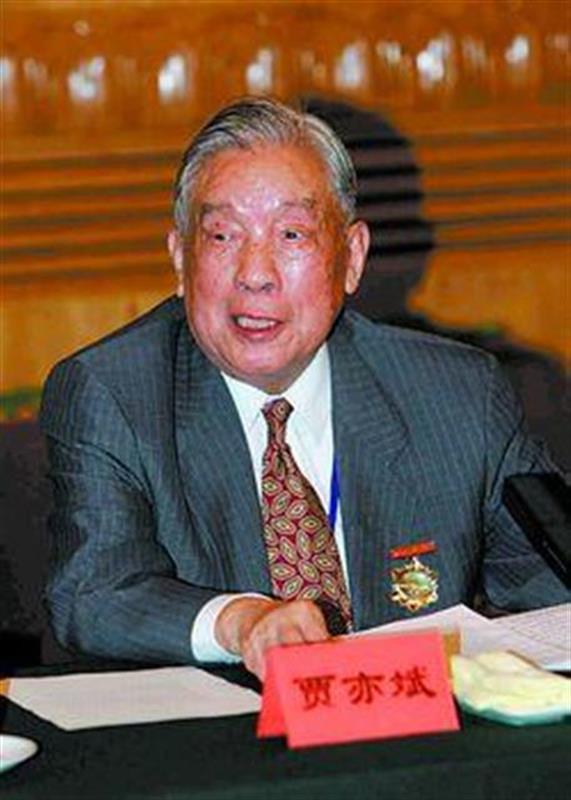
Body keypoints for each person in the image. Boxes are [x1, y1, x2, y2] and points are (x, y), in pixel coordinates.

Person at [40, 97, 567, 680]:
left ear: (352, 258)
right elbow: (94, 593)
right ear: (181, 260)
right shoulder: (114, 394)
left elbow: (551, 582)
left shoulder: (456, 395)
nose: (255, 274)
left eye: (291, 234)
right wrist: (240, 621)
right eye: (222, 236)